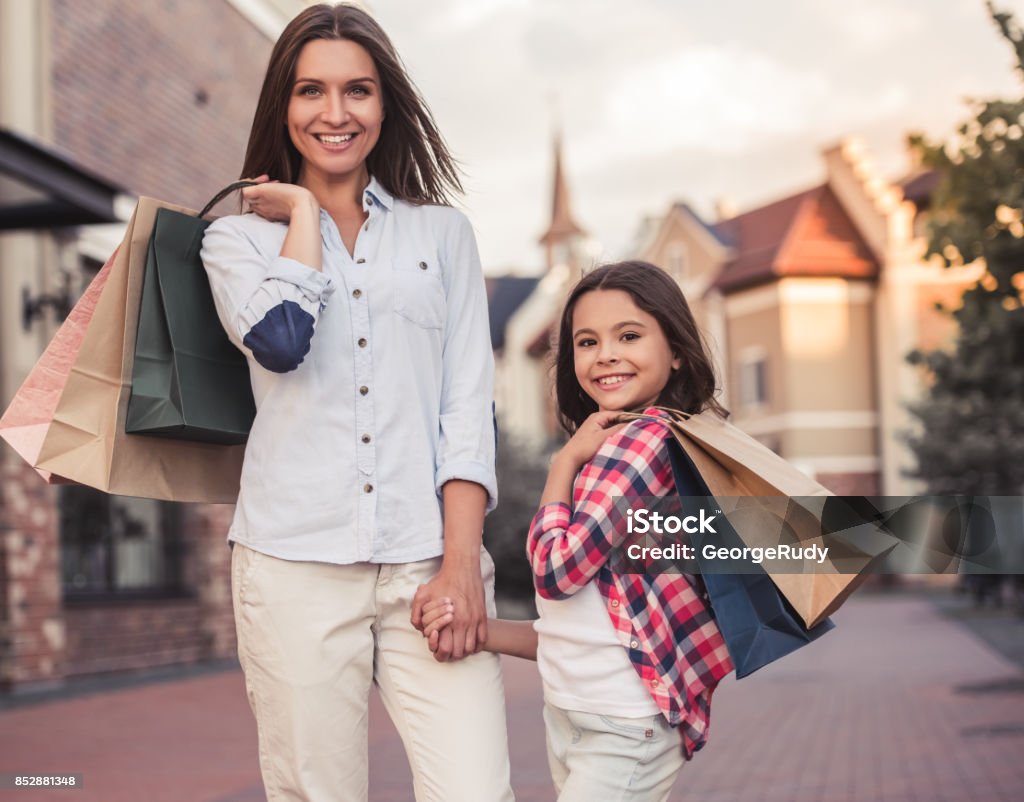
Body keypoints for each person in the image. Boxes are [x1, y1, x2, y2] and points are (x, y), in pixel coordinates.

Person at [199, 5, 513, 801]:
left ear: (385, 104)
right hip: (292, 566)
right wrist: (303, 213)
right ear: (284, 105)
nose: (335, 113)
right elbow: (280, 340)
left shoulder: (443, 236)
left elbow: (467, 408)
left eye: (358, 91)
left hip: (426, 564)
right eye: (312, 91)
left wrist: (461, 566)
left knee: (476, 791)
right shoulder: (236, 242)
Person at [416, 261, 735, 801]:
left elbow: (555, 572)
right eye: (587, 341)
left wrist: (564, 462)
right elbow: (584, 626)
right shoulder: (624, 447)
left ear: (676, 351)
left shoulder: (640, 444)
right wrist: (481, 630)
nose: (606, 353)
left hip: (623, 727)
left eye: (629, 335)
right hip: (582, 717)